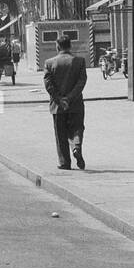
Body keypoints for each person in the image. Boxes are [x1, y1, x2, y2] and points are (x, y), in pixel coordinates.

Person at [44, 34, 87, 171]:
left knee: (60, 134)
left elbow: (48, 84)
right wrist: (70, 98)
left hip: (58, 106)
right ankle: (76, 146)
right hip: (76, 104)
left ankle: (64, 162)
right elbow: (81, 82)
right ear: (70, 46)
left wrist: (60, 99)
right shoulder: (79, 61)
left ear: (57, 47)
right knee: (77, 128)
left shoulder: (49, 63)